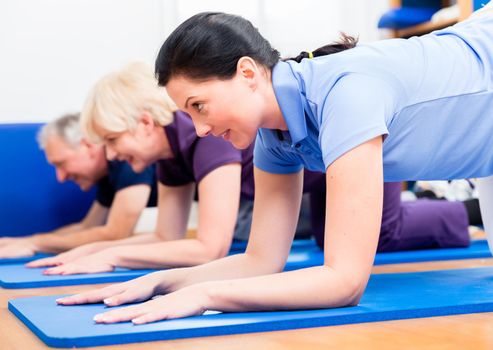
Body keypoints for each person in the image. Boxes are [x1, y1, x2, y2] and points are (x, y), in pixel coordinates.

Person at [58, 6, 493, 325]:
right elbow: (261, 259)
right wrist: (165, 281)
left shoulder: (346, 93)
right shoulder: (274, 137)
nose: (201, 129)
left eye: (199, 106)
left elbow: (345, 282)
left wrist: (208, 294)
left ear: (248, 73)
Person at [28, 61, 255, 274]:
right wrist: (93, 250)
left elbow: (211, 250)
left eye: (112, 139)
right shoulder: (168, 151)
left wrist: (114, 256)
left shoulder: (204, 134)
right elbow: (165, 236)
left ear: (145, 123)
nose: (111, 155)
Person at [0, 113, 156, 260]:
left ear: (87, 145)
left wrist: (36, 244)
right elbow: (88, 226)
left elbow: (115, 234)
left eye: (61, 163)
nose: (60, 177)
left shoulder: (125, 160)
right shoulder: (107, 174)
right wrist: (23, 241)